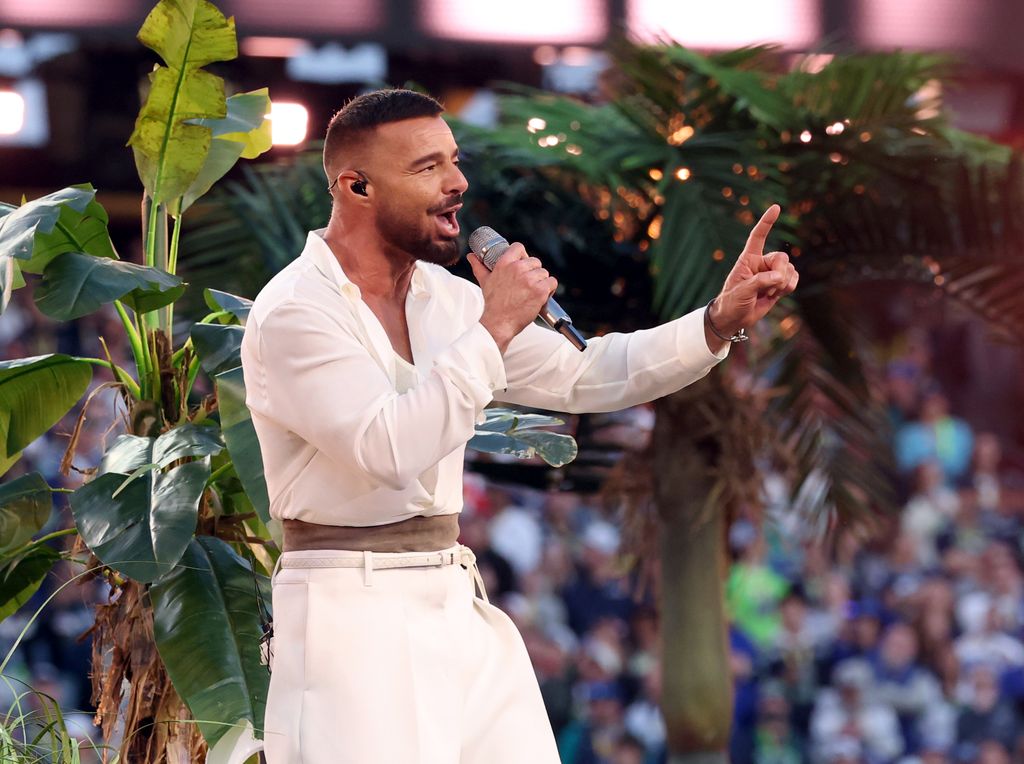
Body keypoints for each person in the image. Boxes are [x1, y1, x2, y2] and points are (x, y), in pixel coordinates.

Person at [239, 88, 798, 763]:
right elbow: (388, 448)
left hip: (451, 593)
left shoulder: (445, 301)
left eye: (454, 160)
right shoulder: (297, 312)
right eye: (426, 168)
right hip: (349, 614)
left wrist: (715, 321)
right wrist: (496, 324)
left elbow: (590, 372)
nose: (457, 183)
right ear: (356, 186)